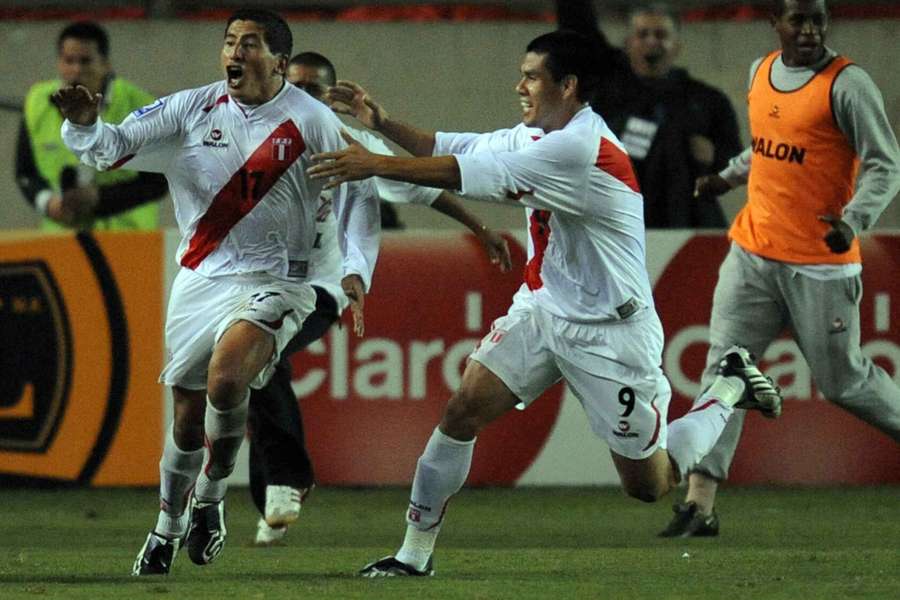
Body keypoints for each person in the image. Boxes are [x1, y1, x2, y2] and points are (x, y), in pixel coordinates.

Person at [308, 29, 782, 576]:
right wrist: (382, 124)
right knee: (462, 409)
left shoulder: (579, 149)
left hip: (611, 333)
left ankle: (727, 387)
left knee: (650, 485)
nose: (520, 86)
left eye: (532, 76)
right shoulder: (535, 135)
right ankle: (412, 556)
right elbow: (451, 147)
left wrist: (375, 163)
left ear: (569, 85)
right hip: (543, 310)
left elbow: (462, 176)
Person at [54, 9, 381, 575]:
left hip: (280, 281)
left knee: (227, 380)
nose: (235, 52)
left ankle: (210, 496)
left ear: (277, 60)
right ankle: (168, 525)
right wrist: (85, 124)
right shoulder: (190, 107)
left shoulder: (310, 120)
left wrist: (357, 266)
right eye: (229, 41)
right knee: (185, 418)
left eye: (249, 43)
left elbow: (358, 192)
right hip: (202, 279)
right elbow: (112, 146)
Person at [249, 50, 512, 546]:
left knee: (263, 356)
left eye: (312, 89)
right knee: (241, 376)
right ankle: (269, 499)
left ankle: (288, 479)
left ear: (330, 98)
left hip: (320, 288)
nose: (300, 96)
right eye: (294, 85)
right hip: (258, 283)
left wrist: (479, 228)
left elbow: (423, 187)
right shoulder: (256, 136)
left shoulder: (356, 147)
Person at [658, 0, 900, 538]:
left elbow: (886, 163)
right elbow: (768, 151)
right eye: (798, 19)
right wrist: (725, 177)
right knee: (724, 369)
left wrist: (855, 219)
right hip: (752, 252)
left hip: (819, 265)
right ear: (776, 23)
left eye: (818, 18)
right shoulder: (760, 72)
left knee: (843, 382)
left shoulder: (848, 85)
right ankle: (700, 503)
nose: (810, 29)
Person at [557, 1, 742, 228]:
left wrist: (714, 156)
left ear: (677, 45)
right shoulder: (606, 91)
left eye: (661, 34)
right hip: (616, 221)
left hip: (687, 223)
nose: (652, 41)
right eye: (643, 34)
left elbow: (737, 161)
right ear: (628, 44)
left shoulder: (706, 101)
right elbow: (576, 30)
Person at [16, 21, 166, 231]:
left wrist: (100, 199)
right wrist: (48, 203)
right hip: (60, 242)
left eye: (86, 61)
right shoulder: (36, 102)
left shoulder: (141, 106)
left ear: (106, 63)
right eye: (69, 61)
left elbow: (158, 183)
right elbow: (26, 173)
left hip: (129, 242)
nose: (76, 70)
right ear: (59, 63)